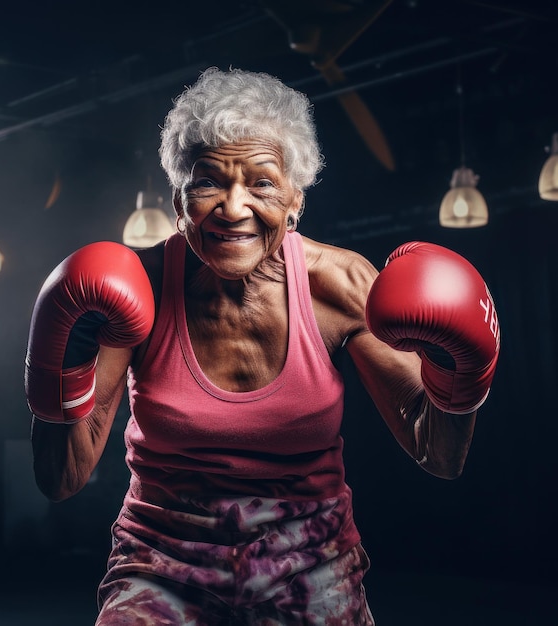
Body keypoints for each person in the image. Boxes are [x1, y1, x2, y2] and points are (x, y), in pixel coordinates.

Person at [25, 67, 500, 625]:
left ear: (295, 198)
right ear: (178, 201)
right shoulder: (141, 287)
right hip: (161, 560)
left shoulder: (340, 287)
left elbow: (439, 455)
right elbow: (60, 480)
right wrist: (66, 366)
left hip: (311, 563)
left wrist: (459, 375)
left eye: (262, 183)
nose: (233, 207)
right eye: (207, 182)